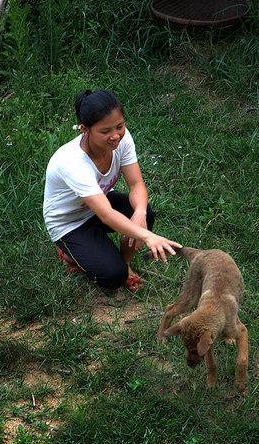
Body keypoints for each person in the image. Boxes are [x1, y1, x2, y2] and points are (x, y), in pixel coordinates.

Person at [43, 89, 181, 292]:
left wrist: (140, 214)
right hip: (69, 222)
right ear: (85, 129)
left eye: (120, 126)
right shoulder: (71, 162)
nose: (115, 136)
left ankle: (124, 264)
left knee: (145, 213)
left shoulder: (122, 141)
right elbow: (106, 215)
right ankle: (69, 254)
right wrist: (147, 236)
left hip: (99, 205)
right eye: (105, 131)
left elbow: (136, 185)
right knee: (111, 277)